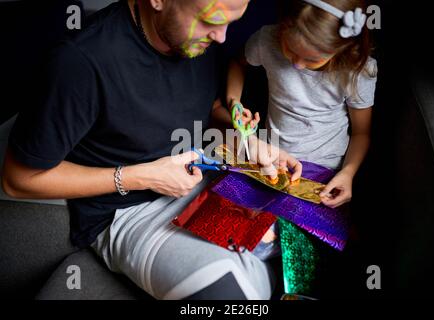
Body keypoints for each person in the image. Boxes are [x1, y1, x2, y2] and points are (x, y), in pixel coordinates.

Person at [1, 0, 302, 299]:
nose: (222, 37)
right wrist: (142, 177)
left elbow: (206, 107)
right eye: (212, 21)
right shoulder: (80, 62)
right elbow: (18, 180)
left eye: (229, 23)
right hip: (130, 210)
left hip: (208, 179)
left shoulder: (196, 36)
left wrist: (246, 139)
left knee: (308, 240)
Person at [227, 0, 377, 259]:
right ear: (284, 27)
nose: (297, 64)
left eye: (312, 59)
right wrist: (235, 103)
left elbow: (361, 133)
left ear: (342, 47)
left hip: (322, 172)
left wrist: (348, 174)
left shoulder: (358, 70)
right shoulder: (267, 39)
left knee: (286, 243)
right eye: (290, 49)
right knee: (232, 225)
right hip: (267, 161)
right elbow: (237, 63)